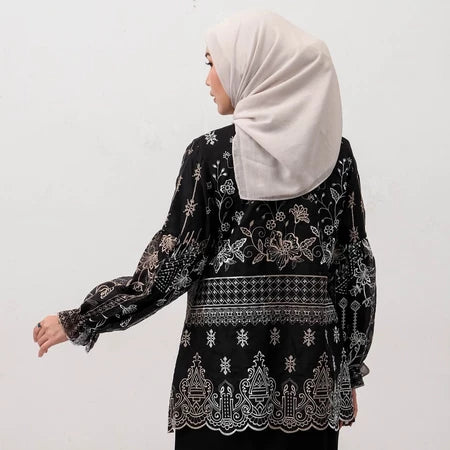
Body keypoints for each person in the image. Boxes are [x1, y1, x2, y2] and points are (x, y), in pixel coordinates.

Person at [33, 8, 377, 450]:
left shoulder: (209, 156)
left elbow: (168, 268)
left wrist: (80, 320)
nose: (209, 78)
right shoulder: (335, 158)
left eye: (214, 64)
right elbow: (355, 275)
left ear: (252, 69)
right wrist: (349, 370)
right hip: (311, 380)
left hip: (218, 383)